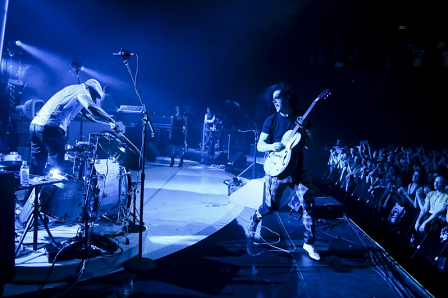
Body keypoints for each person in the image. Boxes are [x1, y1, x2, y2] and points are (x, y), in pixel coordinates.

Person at [248, 82, 321, 261]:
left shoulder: (301, 118)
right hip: (277, 168)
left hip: (298, 166)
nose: (274, 102)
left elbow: (310, 145)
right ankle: (255, 217)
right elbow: (260, 145)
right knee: (270, 206)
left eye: (277, 98)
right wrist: (274, 145)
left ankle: (309, 243)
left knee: (309, 203)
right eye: (272, 100)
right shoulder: (271, 120)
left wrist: (303, 129)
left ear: (287, 97)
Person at [29, 79, 120, 176]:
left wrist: (87, 117)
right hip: (50, 128)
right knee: (62, 166)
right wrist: (111, 120)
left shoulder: (72, 89)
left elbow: (69, 110)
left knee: (37, 167)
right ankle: (63, 191)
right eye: (93, 95)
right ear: (89, 88)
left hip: (35, 126)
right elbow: (90, 106)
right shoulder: (82, 91)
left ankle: (32, 191)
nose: (93, 99)